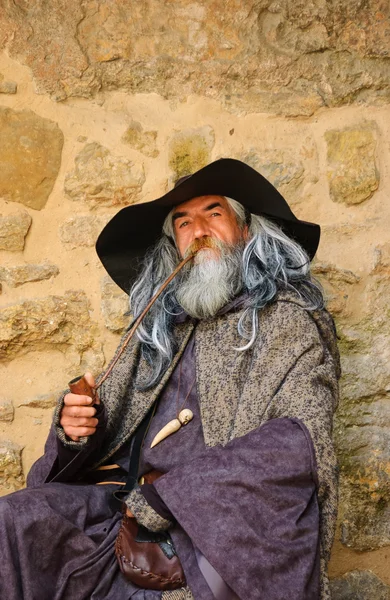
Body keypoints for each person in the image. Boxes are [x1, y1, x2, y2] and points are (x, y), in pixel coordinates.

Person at [0, 159, 340, 600]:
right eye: (183, 222)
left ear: (247, 231)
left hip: (205, 527)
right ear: (174, 245)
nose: (197, 230)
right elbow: (111, 433)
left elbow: (299, 439)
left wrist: (174, 496)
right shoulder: (160, 331)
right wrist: (76, 431)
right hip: (116, 509)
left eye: (213, 214)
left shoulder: (286, 323)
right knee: (12, 523)